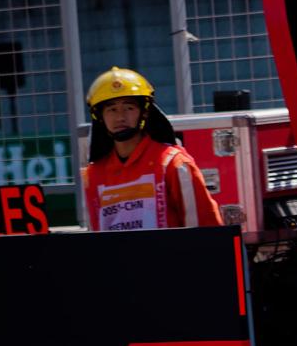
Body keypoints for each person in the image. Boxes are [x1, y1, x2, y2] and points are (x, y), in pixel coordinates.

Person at [81, 66, 222, 231]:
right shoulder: (93, 175)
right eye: (112, 109)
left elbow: (206, 232)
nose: (120, 117)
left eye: (129, 108)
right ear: (99, 117)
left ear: (145, 113)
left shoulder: (174, 165)